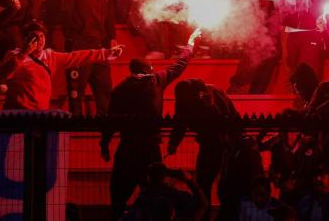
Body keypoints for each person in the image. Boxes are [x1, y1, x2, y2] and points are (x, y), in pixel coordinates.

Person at [102, 28, 199, 221]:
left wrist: (104, 143)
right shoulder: (156, 81)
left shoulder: (121, 90)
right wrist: (190, 44)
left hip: (128, 148)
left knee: (118, 197)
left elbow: (110, 119)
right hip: (150, 148)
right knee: (156, 194)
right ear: (148, 70)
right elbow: (179, 65)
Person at [0, 21, 123, 110]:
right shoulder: (13, 55)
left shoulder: (50, 56)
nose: (40, 40)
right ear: (25, 39)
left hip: (40, 114)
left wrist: (107, 52)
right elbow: (4, 74)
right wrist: (24, 53)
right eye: (34, 37)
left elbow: (76, 57)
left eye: (42, 36)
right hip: (17, 113)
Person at [166, 78, 241, 219]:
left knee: (224, 185)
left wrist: (210, 106)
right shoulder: (185, 98)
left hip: (224, 144)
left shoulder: (212, 95)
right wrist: (173, 143)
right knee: (204, 183)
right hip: (209, 144)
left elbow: (224, 122)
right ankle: (206, 215)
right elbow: (180, 122)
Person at [67, 0, 118, 115]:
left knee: (104, 88)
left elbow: (109, 17)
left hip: (99, 46)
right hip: (81, 45)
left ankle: (104, 124)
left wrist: (112, 38)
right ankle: (76, 125)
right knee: (77, 88)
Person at [123, 162, 208, 221]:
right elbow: (202, 205)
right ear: (165, 177)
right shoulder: (178, 195)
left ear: (148, 178)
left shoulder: (144, 199)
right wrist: (190, 181)